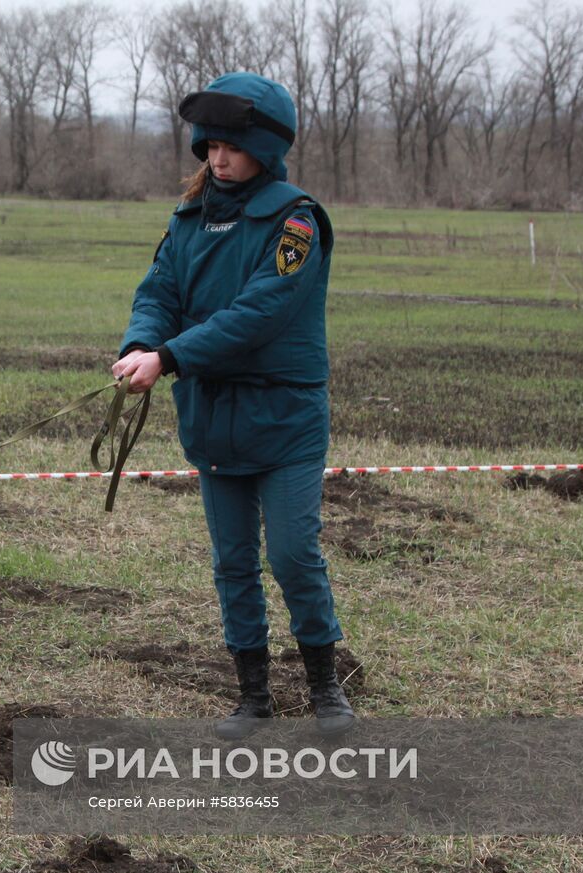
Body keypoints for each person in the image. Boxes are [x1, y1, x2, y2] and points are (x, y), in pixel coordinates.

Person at [112, 71, 355, 738]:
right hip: (213, 417)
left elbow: (260, 312)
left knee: (293, 554)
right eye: (210, 146)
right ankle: (252, 696)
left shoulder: (296, 220)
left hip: (285, 418)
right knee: (232, 562)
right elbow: (158, 291)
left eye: (232, 147)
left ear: (266, 151)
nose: (218, 159)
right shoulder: (188, 220)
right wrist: (142, 342)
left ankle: (324, 685)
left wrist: (170, 357)